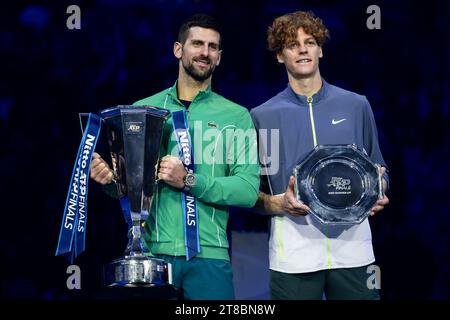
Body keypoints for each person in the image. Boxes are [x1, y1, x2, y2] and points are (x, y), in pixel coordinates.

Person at [90, 14, 260, 300]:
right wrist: (109, 181)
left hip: (210, 257)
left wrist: (189, 179)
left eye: (212, 47)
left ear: (219, 57)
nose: (204, 52)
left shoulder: (237, 116)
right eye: (197, 43)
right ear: (178, 49)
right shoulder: (143, 109)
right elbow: (132, 188)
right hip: (151, 254)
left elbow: (247, 190)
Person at [250, 11, 390, 300]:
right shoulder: (262, 116)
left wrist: (379, 191)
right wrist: (280, 204)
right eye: (292, 44)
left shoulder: (355, 105)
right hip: (293, 255)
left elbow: (379, 171)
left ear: (320, 49)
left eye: (310, 41)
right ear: (280, 55)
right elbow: (254, 196)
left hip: (354, 252)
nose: (303, 49)